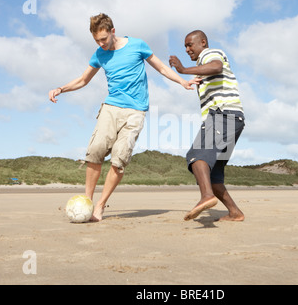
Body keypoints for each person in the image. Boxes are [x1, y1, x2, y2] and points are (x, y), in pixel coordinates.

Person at [49, 14, 199, 222]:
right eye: (96, 41)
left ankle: (100, 206)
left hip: (136, 111)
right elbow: (83, 80)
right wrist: (61, 88)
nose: (101, 44)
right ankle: (87, 201)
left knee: (119, 160)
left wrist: (182, 82)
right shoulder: (99, 54)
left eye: (103, 39)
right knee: (95, 151)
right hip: (111, 107)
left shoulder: (138, 45)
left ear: (112, 31)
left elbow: (162, 68)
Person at [169, 30, 245, 222]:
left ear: (202, 42)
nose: (187, 49)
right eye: (185, 46)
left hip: (223, 115)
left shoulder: (210, 54)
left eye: (190, 45)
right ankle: (235, 212)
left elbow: (216, 67)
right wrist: (192, 80)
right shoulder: (202, 66)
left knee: (196, 156)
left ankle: (206, 196)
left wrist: (184, 69)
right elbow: (214, 74)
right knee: (213, 176)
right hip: (232, 119)